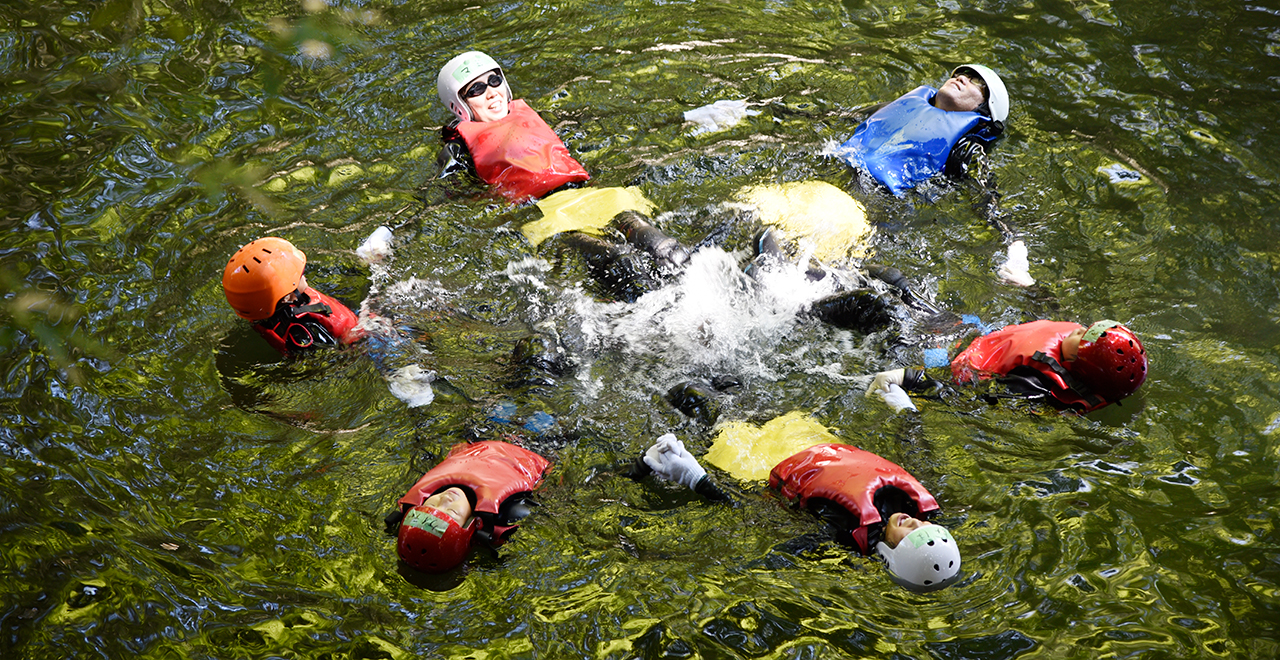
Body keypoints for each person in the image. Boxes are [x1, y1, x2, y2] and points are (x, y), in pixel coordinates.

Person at [639, 434, 963, 592]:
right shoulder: (918, 507)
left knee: (711, 413)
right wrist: (904, 406)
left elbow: (750, 514)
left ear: (889, 553)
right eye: (926, 526)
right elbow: (922, 458)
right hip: (819, 440)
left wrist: (695, 478)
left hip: (759, 461)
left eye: (913, 534)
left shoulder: (838, 535)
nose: (916, 522)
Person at [867, 319, 1148, 413]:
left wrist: (912, 378)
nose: (1078, 330)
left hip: (948, 358)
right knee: (903, 296)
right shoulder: (1070, 344)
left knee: (887, 327)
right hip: (974, 330)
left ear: (1078, 365)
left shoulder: (1034, 383)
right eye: (1088, 327)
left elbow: (969, 400)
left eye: (1083, 337)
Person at [436, 50, 590, 203]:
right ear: (458, 105)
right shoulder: (458, 150)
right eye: (477, 89)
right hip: (533, 207)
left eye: (495, 80)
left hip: (582, 189)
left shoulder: (539, 117)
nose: (492, 93)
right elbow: (454, 195)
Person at [836, 64, 1009, 197]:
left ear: (986, 112)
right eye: (960, 74)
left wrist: (1011, 238)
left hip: (879, 199)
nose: (961, 78)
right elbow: (836, 117)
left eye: (977, 82)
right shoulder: (896, 108)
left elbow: (986, 198)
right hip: (838, 168)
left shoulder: (966, 152)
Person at [390, 440, 552, 573]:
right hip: (539, 447)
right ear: (472, 524)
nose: (445, 500)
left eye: (431, 504)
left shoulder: (427, 487)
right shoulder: (509, 510)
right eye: (451, 512)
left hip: (480, 438)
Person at [222, 237, 362, 355]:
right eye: (300, 274)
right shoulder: (306, 331)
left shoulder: (259, 308)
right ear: (287, 297)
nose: (304, 275)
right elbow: (338, 355)